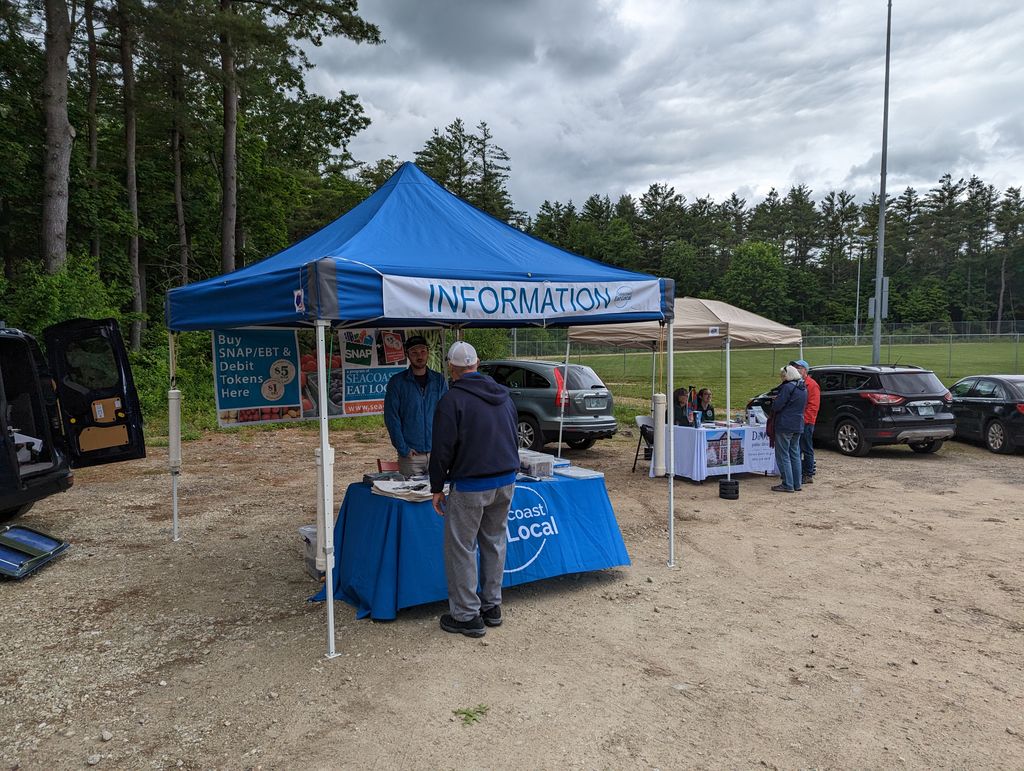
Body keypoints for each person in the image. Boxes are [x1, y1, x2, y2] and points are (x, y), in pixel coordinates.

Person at [429, 341, 520, 638]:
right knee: (494, 543)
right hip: (506, 479)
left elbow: (441, 449)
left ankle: (467, 615)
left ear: (451, 369)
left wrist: (436, 487)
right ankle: (492, 606)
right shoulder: (503, 395)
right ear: (477, 363)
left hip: (471, 484)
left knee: (462, 548)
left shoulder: (451, 400)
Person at [383, 334, 447, 477]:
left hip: (436, 453)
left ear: (428, 353)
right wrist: (403, 449)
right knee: (411, 497)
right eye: (414, 352)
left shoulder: (439, 381)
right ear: (407, 355)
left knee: (438, 496)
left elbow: (447, 414)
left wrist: (444, 446)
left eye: (423, 351)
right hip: (411, 456)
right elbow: (392, 418)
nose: (419, 356)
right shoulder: (397, 382)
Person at [770, 365, 807, 493]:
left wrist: (775, 401)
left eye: (783, 376)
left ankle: (787, 483)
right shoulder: (802, 387)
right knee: (795, 454)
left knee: (783, 454)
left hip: (785, 424)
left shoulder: (787, 387)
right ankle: (797, 483)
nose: (782, 378)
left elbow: (777, 406)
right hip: (798, 424)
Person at [790, 359, 819, 485]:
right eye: (796, 368)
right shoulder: (797, 383)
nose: (797, 370)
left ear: (805, 370)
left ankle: (808, 474)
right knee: (797, 448)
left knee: (806, 447)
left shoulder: (812, 385)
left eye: (799, 368)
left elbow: (813, 406)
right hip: (798, 421)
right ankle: (798, 472)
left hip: (806, 422)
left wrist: (805, 420)